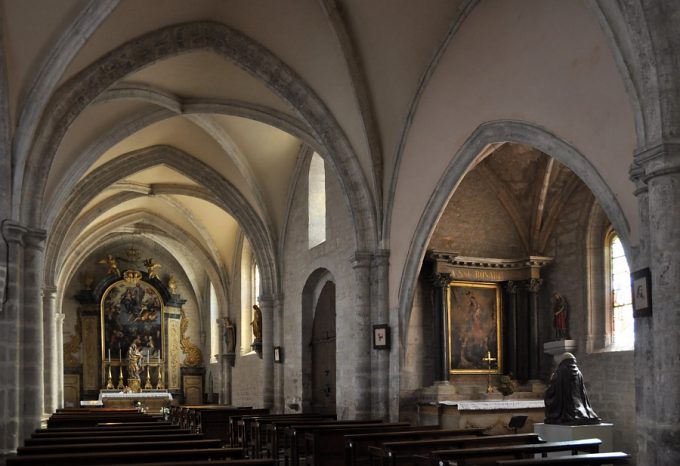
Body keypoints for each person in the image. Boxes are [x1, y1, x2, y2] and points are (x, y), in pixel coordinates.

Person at [544, 352, 600, 425]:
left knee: (548, 394)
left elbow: (554, 388)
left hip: (565, 410)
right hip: (580, 407)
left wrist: (550, 385)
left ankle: (567, 417)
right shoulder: (579, 373)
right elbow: (582, 392)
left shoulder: (560, 371)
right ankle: (582, 414)